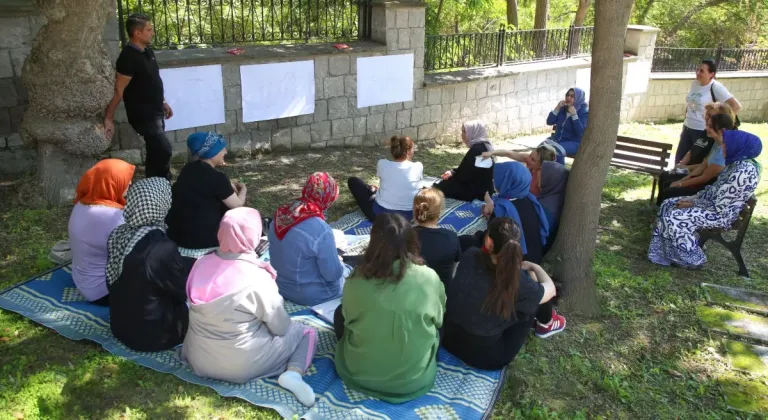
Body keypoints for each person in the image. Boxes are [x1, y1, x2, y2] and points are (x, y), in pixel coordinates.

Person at [182, 208, 317, 406]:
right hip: (241, 364)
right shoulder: (256, 276)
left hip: (197, 357)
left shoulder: (200, 263)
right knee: (306, 332)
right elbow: (281, 327)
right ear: (254, 235)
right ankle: (294, 374)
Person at [334, 213, 445, 403]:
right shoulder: (429, 278)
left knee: (339, 314)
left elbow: (347, 316)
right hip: (414, 380)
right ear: (412, 241)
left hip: (359, 373)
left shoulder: (356, 278)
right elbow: (439, 319)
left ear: (373, 243)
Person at [443, 217, 564, 370]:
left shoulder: (470, 255)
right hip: (486, 358)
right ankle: (547, 325)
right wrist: (535, 268)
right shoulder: (519, 282)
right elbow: (550, 290)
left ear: (488, 241)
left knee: (529, 295)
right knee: (534, 299)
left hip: (449, 339)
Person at [649, 114, 761, 270]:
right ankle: (667, 252)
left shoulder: (742, 172)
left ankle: (694, 259)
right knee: (668, 204)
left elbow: (719, 207)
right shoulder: (736, 165)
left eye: (725, 146)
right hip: (711, 206)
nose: (722, 148)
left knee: (674, 218)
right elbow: (714, 191)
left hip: (721, 216)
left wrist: (692, 204)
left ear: (738, 147)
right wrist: (693, 200)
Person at [106, 177, 196, 352]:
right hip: (153, 335)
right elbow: (181, 290)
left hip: (120, 326)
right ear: (161, 203)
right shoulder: (159, 248)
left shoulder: (119, 234)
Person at [104, 13, 174, 180]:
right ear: (137, 33)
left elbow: (153, 80)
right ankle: (164, 184)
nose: (153, 33)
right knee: (164, 150)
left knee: (155, 150)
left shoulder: (147, 51)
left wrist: (164, 102)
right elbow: (119, 90)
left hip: (156, 110)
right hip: (143, 114)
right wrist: (109, 117)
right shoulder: (128, 57)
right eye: (149, 30)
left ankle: (153, 183)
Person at [268, 172, 350, 306]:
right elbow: (332, 275)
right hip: (310, 295)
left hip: (281, 286)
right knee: (348, 270)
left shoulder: (281, 215)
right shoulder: (321, 230)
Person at [68, 159, 135, 305]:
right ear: (111, 182)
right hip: (103, 291)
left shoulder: (81, 203)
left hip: (81, 279)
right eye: (126, 180)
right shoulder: (112, 215)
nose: (130, 184)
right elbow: (134, 253)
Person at [166, 132, 247, 249]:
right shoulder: (217, 178)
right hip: (203, 242)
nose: (226, 152)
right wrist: (243, 189)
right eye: (222, 149)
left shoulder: (187, 170)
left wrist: (227, 185)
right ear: (212, 154)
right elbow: (237, 205)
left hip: (178, 238)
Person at [461, 162, 550, 264]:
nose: (494, 181)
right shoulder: (530, 199)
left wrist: (491, 208)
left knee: (467, 241)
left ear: (506, 182)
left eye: (497, 178)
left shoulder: (502, 209)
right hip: (535, 257)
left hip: (515, 264)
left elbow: (490, 239)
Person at [656, 103, 735, 206]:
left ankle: (663, 214)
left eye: (710, 124)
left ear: (721, 127)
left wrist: (680, 183)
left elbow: (705, 178)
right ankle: (660, 211)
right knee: (666, 179)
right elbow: (704, 163)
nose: (706, 126)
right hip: (699, 178)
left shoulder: (724, 149)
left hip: (708, 188)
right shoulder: (717, 142)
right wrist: (684, 177)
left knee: (670, 191)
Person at [674, 59, 741, 164]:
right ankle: (674, 180)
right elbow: (691, 104)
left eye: (702, 71)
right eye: (697, 70)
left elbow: (735, 106)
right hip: (687, 127)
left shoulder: (716, 87)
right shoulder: (695, 84)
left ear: (711, 74)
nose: (698, 73)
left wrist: (718, 124)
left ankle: (686, 181)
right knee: (679, 160)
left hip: (702, 131)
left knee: (694, 162)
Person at [347, 136, 423, 222]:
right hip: (408, 217)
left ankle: (372, 190)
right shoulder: (418, 166)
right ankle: (373, 190)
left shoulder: (382, 164)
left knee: (353, 181)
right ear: (409, 151)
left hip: (380, 216)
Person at [435, 120, 495, 202]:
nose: (462, 135)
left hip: (478, 192)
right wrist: (453, 172)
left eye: (464, 132)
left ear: (473, 132)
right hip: (485, 189)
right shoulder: (484, 146)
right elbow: (468, 168)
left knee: (442, 186)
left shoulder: (477, 150)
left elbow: (463, 177)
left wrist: (451, 177)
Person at [413, 188, 462, 284]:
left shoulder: (404, 235)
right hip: (441, 294)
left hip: (411, 291)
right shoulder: (451, 237)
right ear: (440, 212)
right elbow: (454, 267)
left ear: (415, 210)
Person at [481, 144, 559, 196]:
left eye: (533, 159)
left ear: (542, 166)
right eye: (530, 155)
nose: (527, 159)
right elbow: (508, 153)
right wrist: (491, 153)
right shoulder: (530, 159)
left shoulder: (542, 178)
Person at [542, 87, 589, 164]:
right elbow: (549, 122)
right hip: (558, 140)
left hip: (574, 143)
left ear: (578, 98)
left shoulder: (583, 112)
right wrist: (557, 108)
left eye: (572, 96)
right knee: (542, 148)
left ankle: (559, 173)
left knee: (557, 150)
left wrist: (574, 115)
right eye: (567, 95)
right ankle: (542, 171)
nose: (568, 98)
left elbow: (581, 133)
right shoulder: (563, 108)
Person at [537, 161, 569, 247]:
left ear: (550, 178)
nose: (537, 176)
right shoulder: (555, 195)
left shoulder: (547, 207)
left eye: (541, 175)